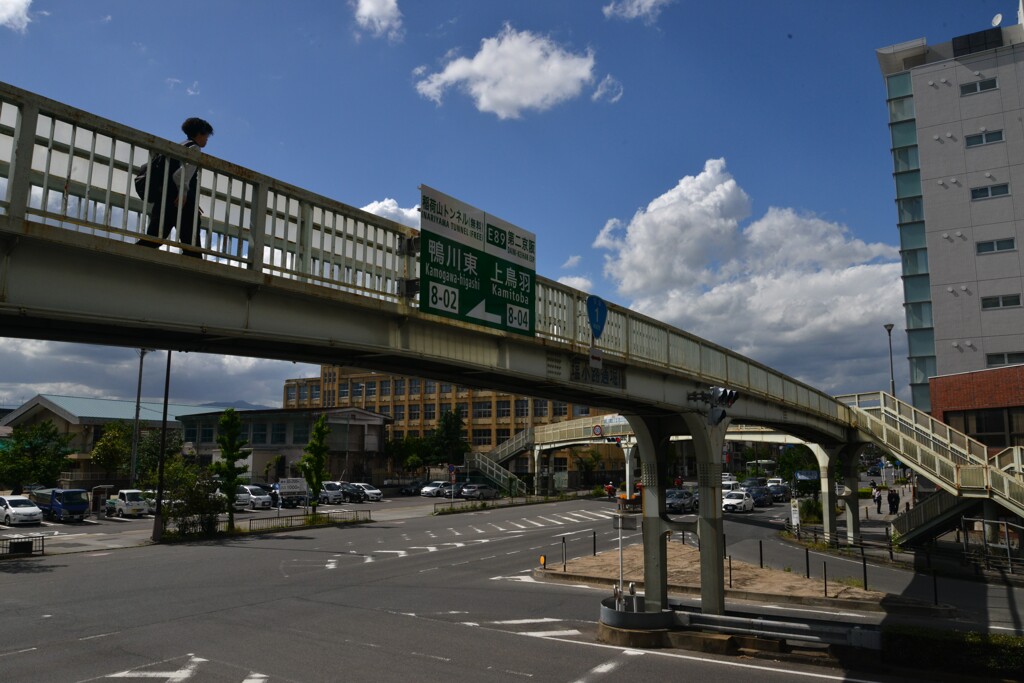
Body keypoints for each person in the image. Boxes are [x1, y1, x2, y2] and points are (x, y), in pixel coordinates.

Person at [137, 117, 214, 258]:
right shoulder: (194, 148)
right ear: (200, 133)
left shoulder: (180, 146)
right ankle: (194, 276)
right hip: (179, 203)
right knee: (192, 248)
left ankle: (130, 255)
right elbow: (179, 176)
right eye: (207, 136)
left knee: (153, 239)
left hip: (164, 200)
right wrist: (184, 193)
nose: (207, 140)